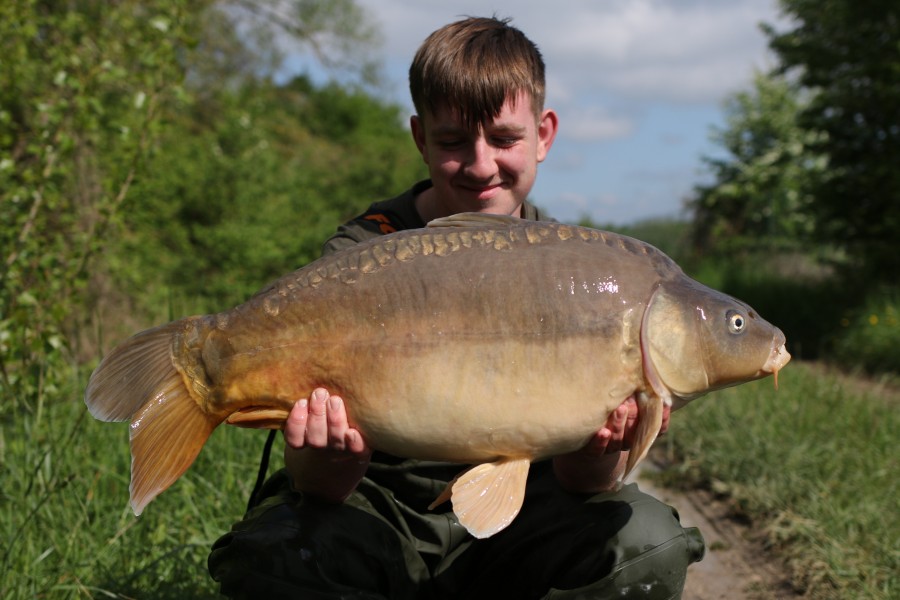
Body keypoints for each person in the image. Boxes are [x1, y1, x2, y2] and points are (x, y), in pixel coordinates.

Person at [209, 16, 705, 599]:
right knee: (275, 554)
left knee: (645, 543)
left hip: (521, 524)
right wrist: (326, 457)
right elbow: (321, 490)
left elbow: (584, 484)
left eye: (503, 138)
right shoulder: (365, 254)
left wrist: (606, 448)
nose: (480, 164)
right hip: (381, 509)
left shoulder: (581, 267)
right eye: (452, 142)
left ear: (543, 134)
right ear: (420, 137)